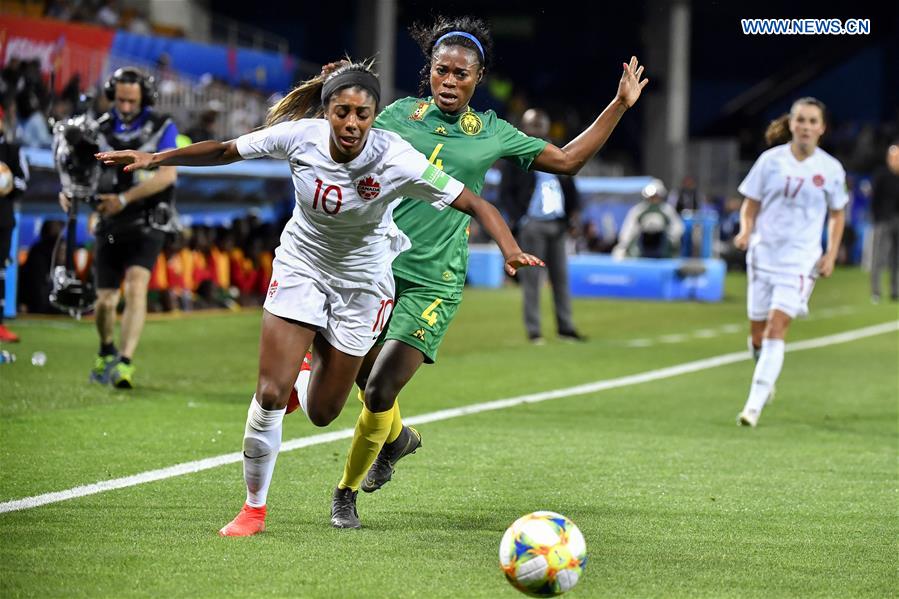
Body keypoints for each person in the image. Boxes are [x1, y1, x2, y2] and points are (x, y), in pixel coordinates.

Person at [96, 60, 542, 537]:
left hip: (363, 286)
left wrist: (510, 249)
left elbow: (475, 203)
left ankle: (305, 368)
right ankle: (253, 509)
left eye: (363, 115)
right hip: (301, 268)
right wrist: (155, 159)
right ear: (326, 110)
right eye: (342, 112)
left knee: (324, 413)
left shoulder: (396, 157)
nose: (352, 124)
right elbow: (227, 150)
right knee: (269, 395)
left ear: (375, 116)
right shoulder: (299, 136)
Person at [304, 16, 648, 529]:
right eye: (441, 70)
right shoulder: (397, 114)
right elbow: (346, 130)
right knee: (358, 375)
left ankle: (345, 493)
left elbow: (570, 159)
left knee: (380, 391)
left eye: (461, 74)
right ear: (430, 71)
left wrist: (619, 105)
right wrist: (336, 87)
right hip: (374, 272)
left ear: (477, 78)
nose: (449, 80)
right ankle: (396, 439)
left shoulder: (493, 133)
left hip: (435, 281)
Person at [59, 67, 179, 389]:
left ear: (145, 98)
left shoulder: (163, 126)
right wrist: (69, 192)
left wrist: (124, 199)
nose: (125, 107)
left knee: (137, 285)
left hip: (148, 220)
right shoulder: (98, 129)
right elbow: (80, 171)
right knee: (106, 301)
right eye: (120, 100)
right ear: (112, 96)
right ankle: (105, 349)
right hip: (109, 223)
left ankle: (124, 362)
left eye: (132, 101)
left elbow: (167, 176)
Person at [734, 97, 847, 428]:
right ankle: (765, 377)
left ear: (822, 128)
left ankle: (752, 406)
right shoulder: (770, 161)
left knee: (776, 328)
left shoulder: (830, 169)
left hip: (800, 260)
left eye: (813, 121)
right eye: (801, 120)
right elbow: (750, 205)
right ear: (791, 124)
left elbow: (837, 215)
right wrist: (745, 231)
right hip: (763, 254)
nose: (806, 127)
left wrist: (830, 254)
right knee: (757, 335)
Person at [498, 108, 583, 344]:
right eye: (532, 124)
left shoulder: (557, 151)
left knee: (561, 278)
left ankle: (566, 328)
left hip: (558, 224)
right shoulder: (515, 152)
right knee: (532, 281)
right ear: (524, 127)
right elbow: (505, 193)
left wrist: (572, 217)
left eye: (540, 124)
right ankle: (534, 331)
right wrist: (521, 220)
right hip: (532, 224)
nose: (537, 129)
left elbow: (570, 185)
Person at [0, 108, 30, 342]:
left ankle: (0, 324)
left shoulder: (12, 150)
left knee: (0, 269)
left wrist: (8, 184)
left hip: (3, 218)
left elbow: (22, 181)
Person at [613, 178, 684, 258]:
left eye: (656, 196)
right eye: (651, 197)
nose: (653, 199)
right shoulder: (638, 210)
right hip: (641, 252)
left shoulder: (667, 210)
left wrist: (673, 241)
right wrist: (623, 245)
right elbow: (628, 229)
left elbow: (677, 228)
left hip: (663, 252)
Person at [869, 142, 899, 303]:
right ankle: (876, 291)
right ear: (888, 158)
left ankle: (895, 291)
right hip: (882, 221)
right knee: (878, 257)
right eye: (893, 157)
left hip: (897, 220)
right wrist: (876, 219)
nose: (896, 160)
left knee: (896, 258)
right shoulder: (881, 175)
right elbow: (875, 199)